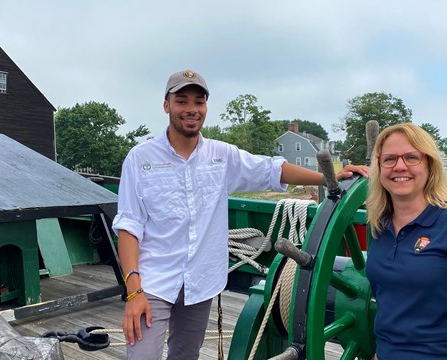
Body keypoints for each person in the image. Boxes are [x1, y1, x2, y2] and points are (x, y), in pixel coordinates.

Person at [112, 69, 369, 360]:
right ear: (166, 105)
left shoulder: (222, 156)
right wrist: (134, 292)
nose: (191, 109)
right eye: (182, 101)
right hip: (153, 283)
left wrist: (329, 176)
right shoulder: (140, 158)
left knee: (186, 355)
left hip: (201, 281)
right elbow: (129, 226)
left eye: (199, 101)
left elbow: (272, 169)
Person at [365, 123, 447, 360]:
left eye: (411, 157)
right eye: (389, 159)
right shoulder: (380, 227)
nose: (399, 166)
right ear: (379, 166)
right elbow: (391, 306)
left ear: (429, 165)